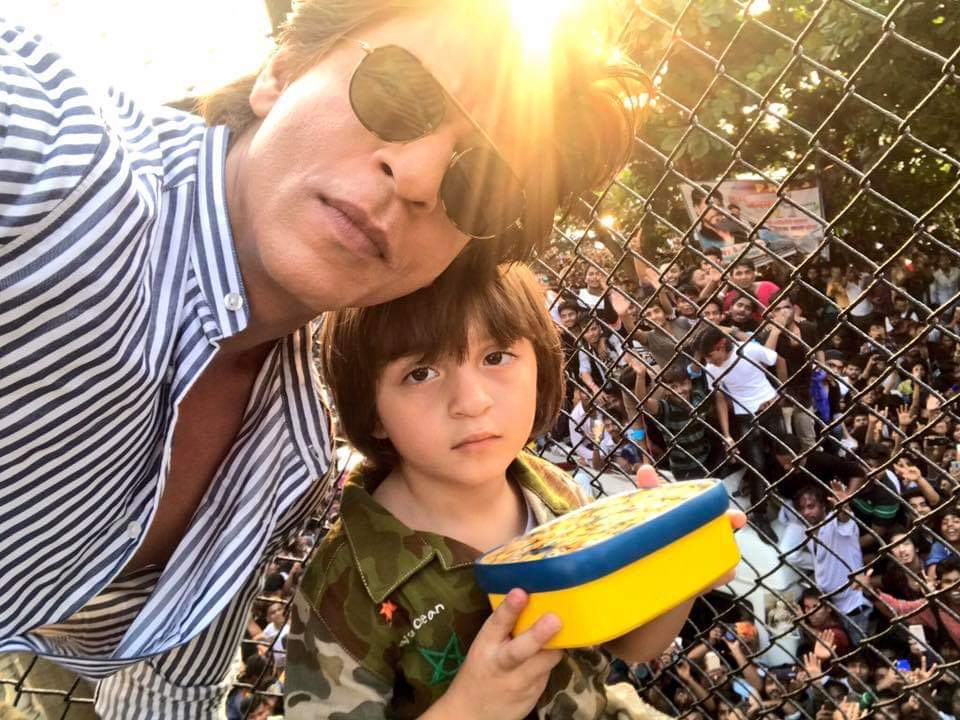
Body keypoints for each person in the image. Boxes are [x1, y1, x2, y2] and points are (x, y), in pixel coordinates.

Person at [0, 3, 647, 715]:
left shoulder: (286, 461)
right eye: (400, 91)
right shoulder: (57, 157)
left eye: (479, 183)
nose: (418, 176)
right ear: (281, 70)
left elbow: (169, 689)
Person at [285, 263, 744, 718]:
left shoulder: (558, 494)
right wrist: (469, 709)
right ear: (371, 410)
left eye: (496, 357)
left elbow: (629, 645)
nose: (472, 402)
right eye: (421, 373)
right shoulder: (344, 585)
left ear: (539, 365)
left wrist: (682, 571)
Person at [699, 327, 784, 543]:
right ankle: (759, 514)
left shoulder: (749, 350)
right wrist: (727, 435)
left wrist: (781, 394)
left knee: (782, 456)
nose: (709, 361)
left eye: (710, 355)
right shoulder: (712, 368)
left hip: (770, 407)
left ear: (720, 346)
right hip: (745, 415)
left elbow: (776, 359)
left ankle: (785, 497)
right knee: (757, 465)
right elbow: (720, 399)